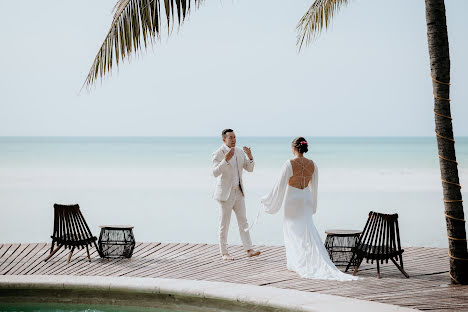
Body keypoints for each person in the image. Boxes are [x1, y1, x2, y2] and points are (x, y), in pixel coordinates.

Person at [261, 137, 358, 280]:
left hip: (293, 198)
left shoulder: (289, 164)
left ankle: (296, 262)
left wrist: (267, 200)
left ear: (293, 148)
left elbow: (279, 186)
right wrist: (313, 205)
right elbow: (315, 187)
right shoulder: (313, 164)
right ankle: (306, 260)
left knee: (292, 231)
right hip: (306, 197)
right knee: (307, 229)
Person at [212, 129, 261, 260]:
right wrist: (225, 160)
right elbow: (215, 173)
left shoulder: (239, 152)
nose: (234, 140)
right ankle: (224, 253)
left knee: (243, 222)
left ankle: (249, 249)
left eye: (234, 137)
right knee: (224, 224)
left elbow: (249, 169)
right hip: (225, 195)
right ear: (224, 140)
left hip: (239, 192)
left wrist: (250, 156)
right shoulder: (218, 153)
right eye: (230, 138)